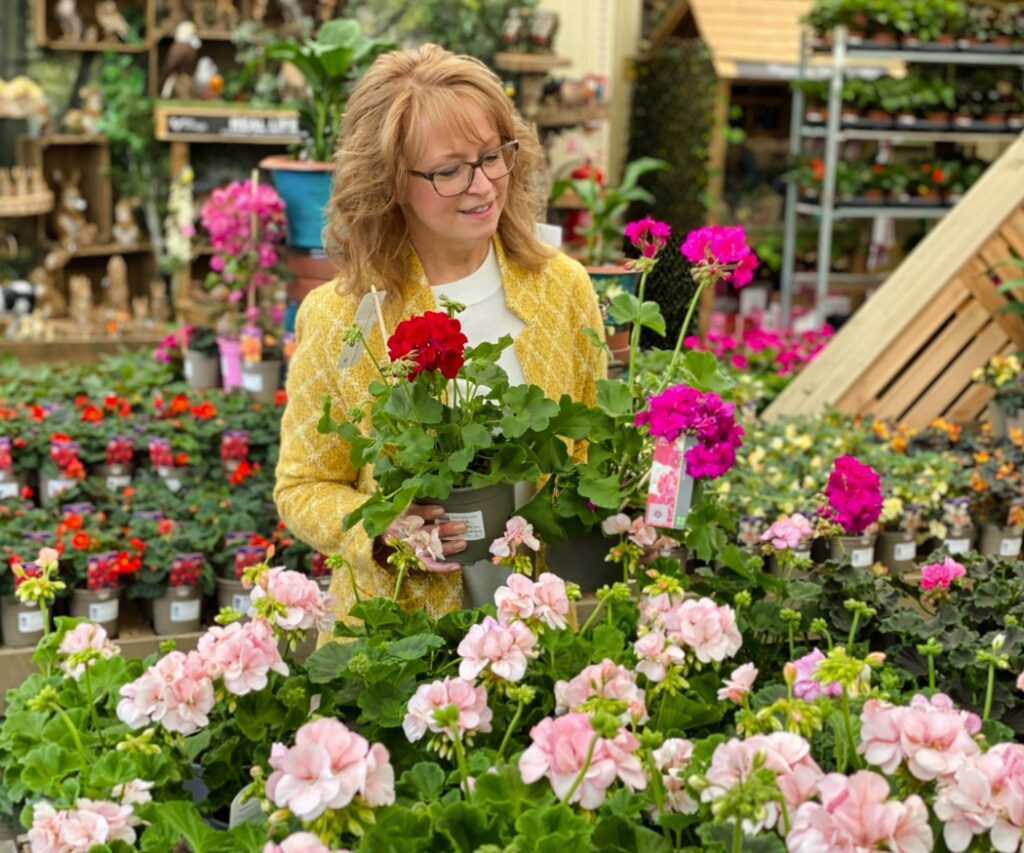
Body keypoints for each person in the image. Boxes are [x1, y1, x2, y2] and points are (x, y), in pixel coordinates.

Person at [274, 43, 606, 624]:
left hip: (539, 627)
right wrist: (382, 530)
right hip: (398, 636)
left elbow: (592, 454)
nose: (482, 186)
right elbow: (303, 486)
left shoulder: (564, 289)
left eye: (492, 156)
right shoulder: (340, 317)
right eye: (450, 170)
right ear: (389, 183)